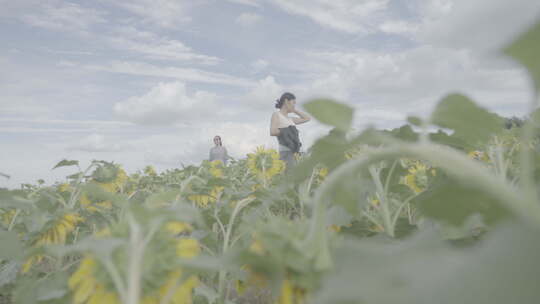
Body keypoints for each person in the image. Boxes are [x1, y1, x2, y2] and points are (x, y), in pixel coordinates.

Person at [270, 92, 311, 169]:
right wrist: (287, 131)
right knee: (289, 177)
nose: (294, 105)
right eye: (293, 103)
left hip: (295, 152)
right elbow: (273, 131)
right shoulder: (276, 115)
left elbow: (307, 118)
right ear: (286, 101)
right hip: (286, 152)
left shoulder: (290, 119)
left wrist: (294, 110)